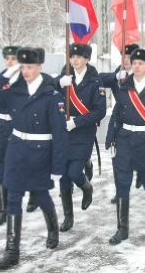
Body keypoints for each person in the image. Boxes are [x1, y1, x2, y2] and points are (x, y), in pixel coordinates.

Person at [0, 47, 68, 269]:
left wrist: (57, 166)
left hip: (40, 152)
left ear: (40, 67)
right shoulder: (13, 92)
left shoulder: (52, 96)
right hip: (15, 149)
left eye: (30, 66)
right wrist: (7, 73)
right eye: (23, 66)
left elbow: (59, 134)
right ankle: (12, 251)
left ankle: (53, 229)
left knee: (40, 195)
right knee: (13, 199)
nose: (26, 71)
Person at [105, 48, 145, 245]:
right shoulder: (124, 88)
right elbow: (116, 115)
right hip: (125, 140)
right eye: (134, 63)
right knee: (122, 182)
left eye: (141, 63)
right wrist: (110, 139)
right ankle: (122, 229)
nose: (136, 66)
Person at [0, 46, 39, 228]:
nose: (11, 62)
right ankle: (3, 210)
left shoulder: (28, 81)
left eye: (15, 58)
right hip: (0, 131)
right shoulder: (0, 82)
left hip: (21, 130)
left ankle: (34, 192)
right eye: (8, 59)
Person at [56, 43, 106, 232]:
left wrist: (76, 122)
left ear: (87, 59)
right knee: (63, 177)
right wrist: (59, 84)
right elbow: (50, 97)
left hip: (83, 132)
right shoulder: (64, 78)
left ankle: (87, 188)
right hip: (64, 132)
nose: (74, 59)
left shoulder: (95, 82)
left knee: (74, 172)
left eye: (79, 56)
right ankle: (68, 216)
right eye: (72, 56)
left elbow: (99, 111)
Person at [99, 43, 143, 202]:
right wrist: (114, 77)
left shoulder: (144, 76)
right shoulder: (119, 74)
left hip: (140, 122)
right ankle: (120, 192)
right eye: (123, 56)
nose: (126, 59)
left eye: (129, 57)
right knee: (117, 158)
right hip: (120, 122)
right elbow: (97, 79)